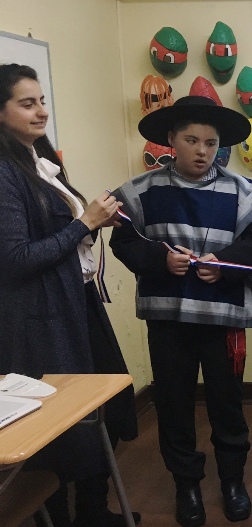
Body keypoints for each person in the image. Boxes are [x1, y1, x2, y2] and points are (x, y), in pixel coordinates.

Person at [110, 96, 252, 527]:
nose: (201, 151)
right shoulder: (138, 192)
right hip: (169, 318)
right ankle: (186, 483)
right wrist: (159, 260)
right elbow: (123, 244)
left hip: (224, 320)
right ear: (171, 140)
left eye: (210, 142)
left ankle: (232, 481)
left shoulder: (249, 195)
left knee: (227, 403)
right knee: (172, 402)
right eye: (191, 140)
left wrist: (225, 265)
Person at [0, 63, 139, 527]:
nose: (41, 110)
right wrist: (84, 224)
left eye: (42, 100)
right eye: (27, 103)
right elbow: (16, 259)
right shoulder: (4, 173)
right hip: (41, 321)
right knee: (60, 434)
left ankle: (94, 512)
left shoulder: (37, 162)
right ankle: (64, 518)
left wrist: (94, 222)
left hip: (77, 305)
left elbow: (59, 235)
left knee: (106, 412)